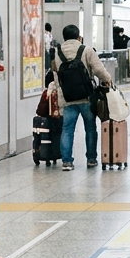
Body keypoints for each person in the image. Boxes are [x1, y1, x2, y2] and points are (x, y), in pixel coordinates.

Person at [50, 25, 114, 170]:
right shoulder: (86, 50)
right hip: (86, 97)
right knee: (90, 128)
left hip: (67, 98)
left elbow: (56, 76)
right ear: (78, 36)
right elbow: (98, 70)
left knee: (67, 129)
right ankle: (91, 159)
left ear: (64, 37)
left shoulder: (57, 52)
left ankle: (67, 162)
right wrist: (108, 79)